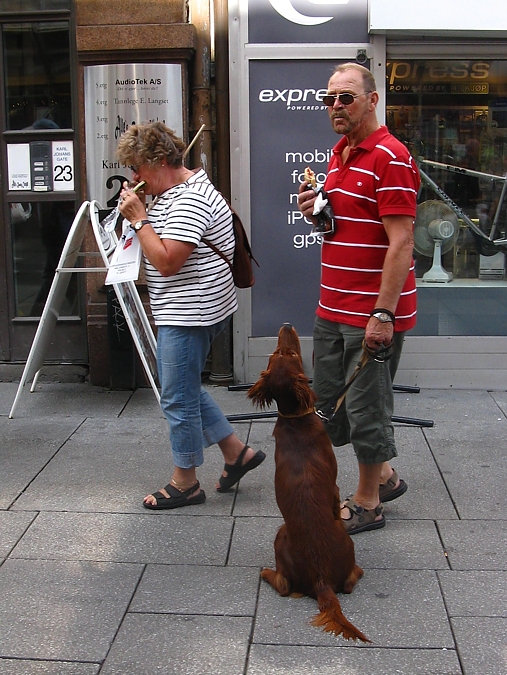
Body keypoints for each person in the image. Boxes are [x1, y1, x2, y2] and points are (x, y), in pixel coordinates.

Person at [297, 63, 420, 534]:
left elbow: (402, 242)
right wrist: (317, 211)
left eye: (345, 97)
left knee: (367, 405)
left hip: (372, 310)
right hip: (333, 304)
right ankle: (385, 476)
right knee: (331, 402)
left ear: (372, 100)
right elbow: (344, 226)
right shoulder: (339, 154)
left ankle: (368, 501)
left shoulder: (390, 156)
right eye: (329, 99)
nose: (335, 107)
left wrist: (383, 314)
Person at [116, 121, 265, 509]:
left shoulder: (190, 199)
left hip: (191, 310)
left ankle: (186, 482)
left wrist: (138, 218)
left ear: (162, 161)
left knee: (176, 398)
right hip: (187, 306)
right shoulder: (171, 191)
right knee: (182, 386)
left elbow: (167, 262)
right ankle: (237, 454)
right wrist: (138, 216)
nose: (134, 177)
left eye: (138, 168)